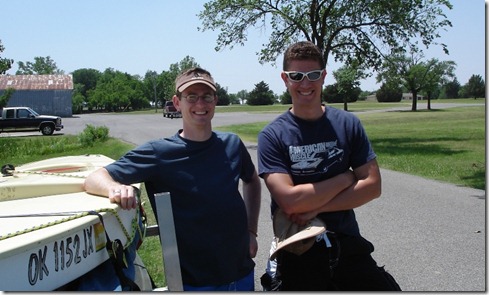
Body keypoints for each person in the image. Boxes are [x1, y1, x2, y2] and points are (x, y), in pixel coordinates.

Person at [83, 67, 261, 291]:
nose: (200, 104)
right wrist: (114, 189)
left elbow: (252, 180)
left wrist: (252, 232)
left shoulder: (232, 144)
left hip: (242, 273)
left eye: (206, 96)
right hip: (194, 283)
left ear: (215, 100)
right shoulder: (159, 153)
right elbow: (95, 177)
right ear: (177, 103)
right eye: (191, 97)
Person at [257, 41, 401, 291]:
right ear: (285, 79)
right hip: (298, 246)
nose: (305, 83)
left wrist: (314, 207)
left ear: (323, 76)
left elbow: (372, 186)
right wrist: (346, 178)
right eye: (296, 76)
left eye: (313, 75)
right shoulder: (272, 136)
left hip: (347, 242)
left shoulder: (347, 124)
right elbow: (290, 202)